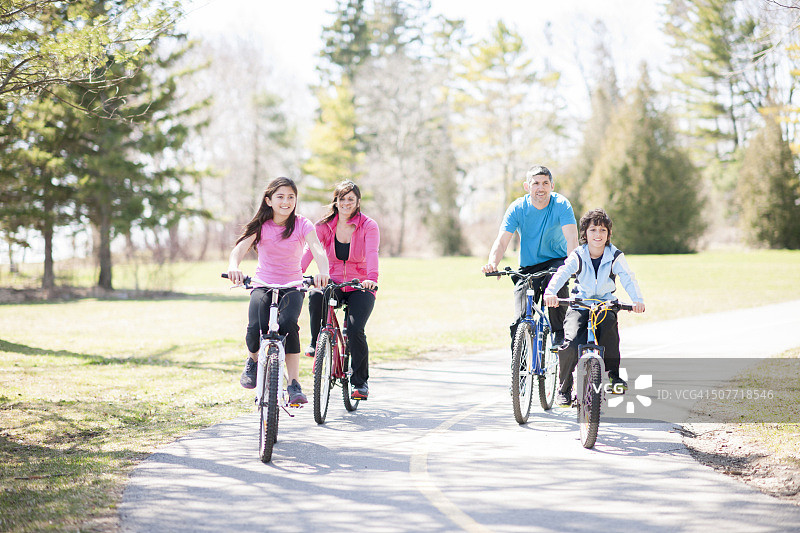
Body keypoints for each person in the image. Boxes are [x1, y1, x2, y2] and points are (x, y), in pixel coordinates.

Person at [227, 177, 330, 405]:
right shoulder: (261, 226)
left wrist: (323, 271)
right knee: (256, 326)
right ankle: (253, 361)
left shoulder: (303, 224)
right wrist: (234, 267)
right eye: (280, 196)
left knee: (289, 325)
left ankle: (293, 384)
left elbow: (317, 249)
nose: (286, 201)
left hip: (292, 286)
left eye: (291, 197)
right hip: (263, 283)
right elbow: (239, 250)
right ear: (269, 200)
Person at [543, 208, 645, 407]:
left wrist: (637, 300)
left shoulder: (615, 255)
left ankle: (614, 376)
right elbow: (563, 273)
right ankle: (564, 388)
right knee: (571, 344)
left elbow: (627, 278)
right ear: (585, 234)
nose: (598, 235)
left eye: (602, 230)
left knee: (610, 335)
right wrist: (551, 292)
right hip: (580, 304)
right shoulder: (578, 255)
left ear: (608, 234)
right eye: (593, 230)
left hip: (604, 304)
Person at [481, 165, 579, 347]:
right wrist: (492, 263)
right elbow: (502, 241)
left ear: (552, 185)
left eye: (545, 183)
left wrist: (573, 266)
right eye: (535, 183)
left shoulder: (561, 205)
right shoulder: (517, 208)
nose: (540, 188)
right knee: (520, 320)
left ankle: (559, 334)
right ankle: (520, 368)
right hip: (528, 267)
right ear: (527, 186)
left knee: (556, 281)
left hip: (555, 262)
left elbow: (572, 238)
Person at [301, 180, 379, 400]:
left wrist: (371, 279)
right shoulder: (323, 226)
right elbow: (309, 252)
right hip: (332, 281)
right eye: (342, 198)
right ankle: (317, 342)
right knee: (316, 294)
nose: (346, 203)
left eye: (350, 199)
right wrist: (297, 275)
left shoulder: (368, 225)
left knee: (355, 330)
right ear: (335, 201)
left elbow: (372, 253)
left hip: (360, 284)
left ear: (358, 202)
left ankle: (360, 383)